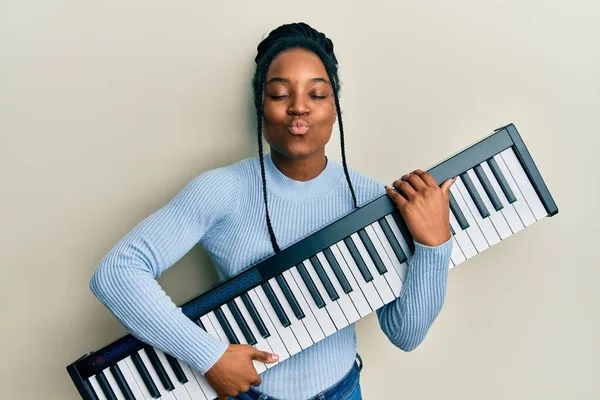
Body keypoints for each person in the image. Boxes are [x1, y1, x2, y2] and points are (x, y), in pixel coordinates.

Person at [90, 22, 456, 400]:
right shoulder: (222, 190)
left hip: (343, 391)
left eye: (316, 94)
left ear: (335, 110)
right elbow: (117, 273)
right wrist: (209, 356)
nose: (298, 106)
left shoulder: (368, 196)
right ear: (260, 107)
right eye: (280, 93)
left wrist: (434, 246)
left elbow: (405, 335)